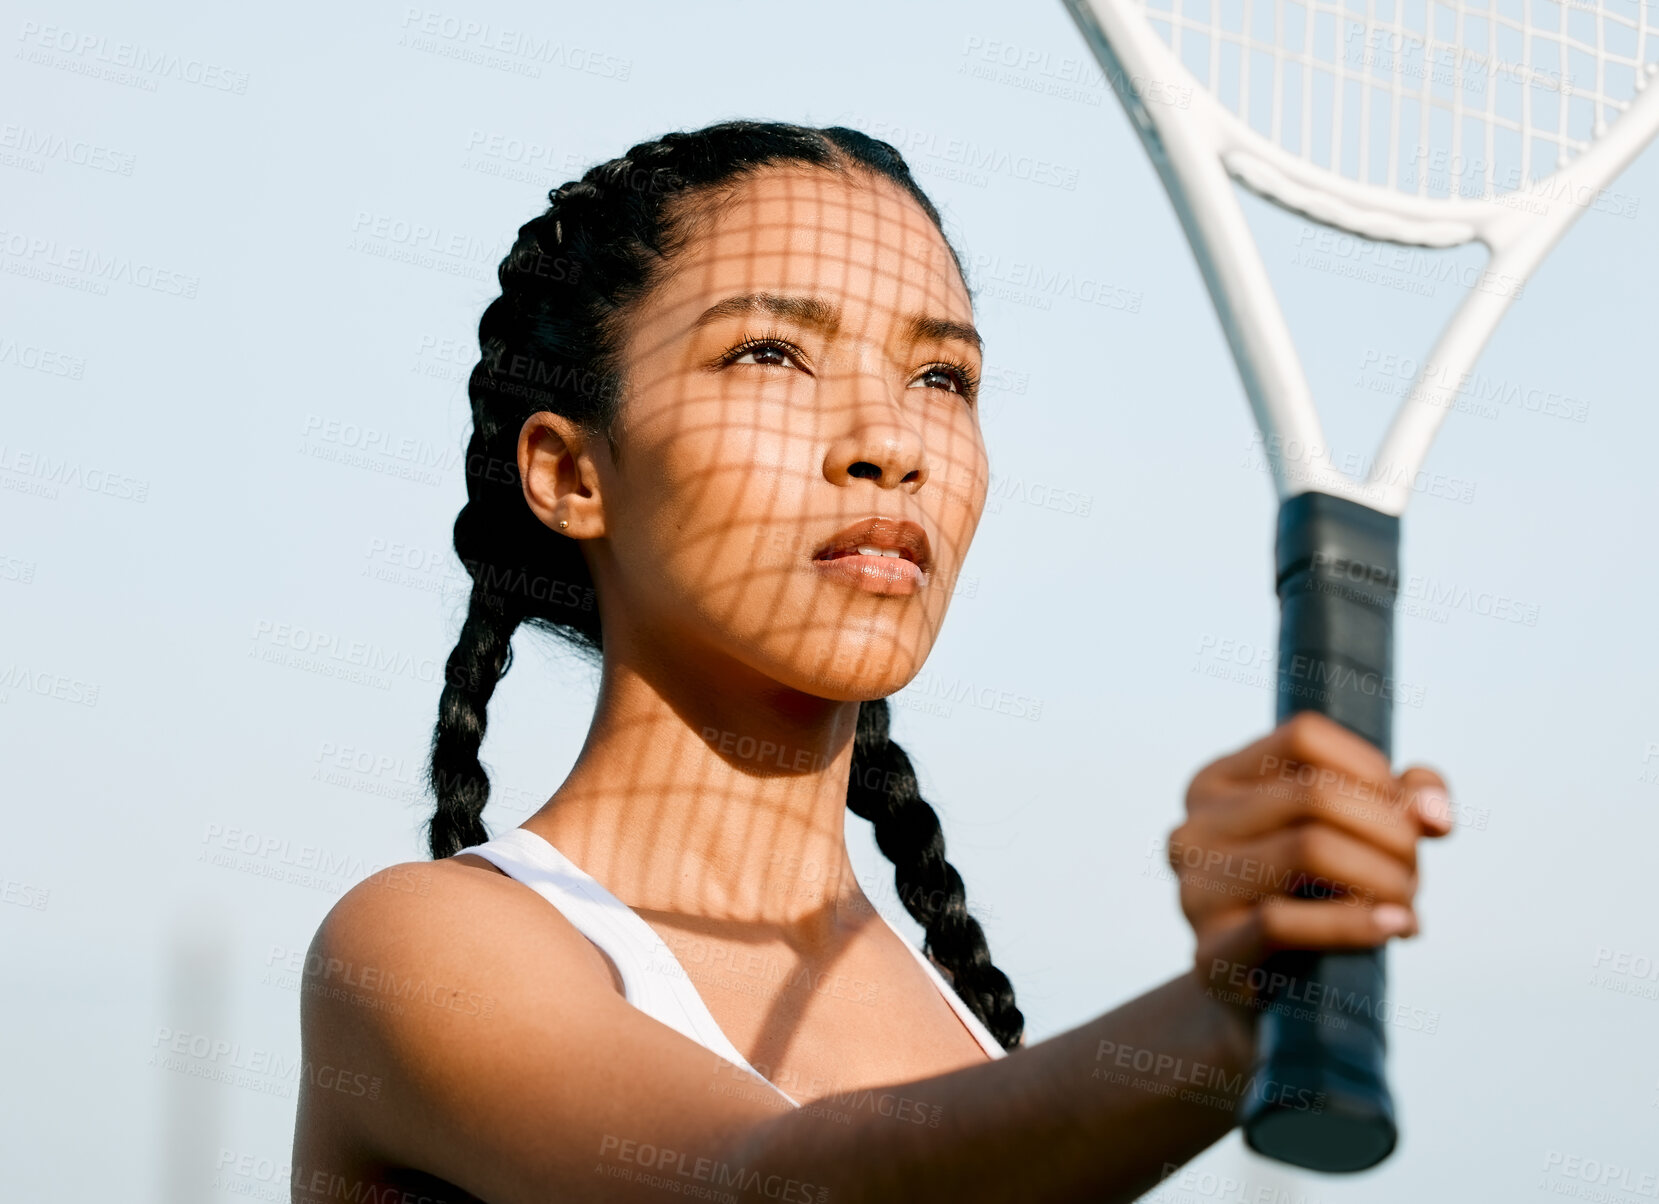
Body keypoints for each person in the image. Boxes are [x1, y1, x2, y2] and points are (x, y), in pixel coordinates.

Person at [291, 119, 1453, 1203]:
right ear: (573, 475)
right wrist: (1225, 1019)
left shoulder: (968, 1040)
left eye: (942, 377)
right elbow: (769, 1177)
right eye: (770, 353)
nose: (890, 441)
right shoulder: (417, 951)